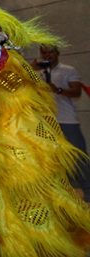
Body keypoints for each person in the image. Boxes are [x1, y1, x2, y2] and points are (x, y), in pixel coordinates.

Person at [34, 45, 90, 201]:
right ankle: (64, 192)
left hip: (67, 120)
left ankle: (88, 191)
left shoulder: (68, 70)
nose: (47, 55)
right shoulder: (38, 74)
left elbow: (76, 92)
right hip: (46, 122)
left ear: (57, 53)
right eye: (44, 52)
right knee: (53, 158)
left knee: (79, 156)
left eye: (50, 52)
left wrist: (57, 90)